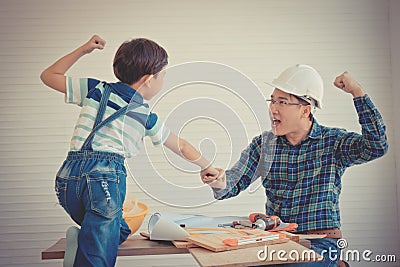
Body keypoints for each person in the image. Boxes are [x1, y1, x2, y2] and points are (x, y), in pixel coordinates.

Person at [40, 35, 219, 267]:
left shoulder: (96, 89)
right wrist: (207, 165)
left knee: (113, 230)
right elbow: (182, 146)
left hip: (67, 179)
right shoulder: (143, 115)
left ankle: (79, 246)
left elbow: (48, 76)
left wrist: (84, 50)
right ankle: (85, 255)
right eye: (162, 75)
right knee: (99, 257)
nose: (163, 80)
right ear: (148, 80)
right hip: (104, 179)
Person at [201, 64, 388, 266]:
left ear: (305, 110)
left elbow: (376, 146)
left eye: (282, 102)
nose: (273, 108)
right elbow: (233, 182)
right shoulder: (264, 145)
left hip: (319, 242)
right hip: (277, 241)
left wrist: (356, 92)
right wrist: (218, 180)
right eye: (272, 101)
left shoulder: (333, 142)